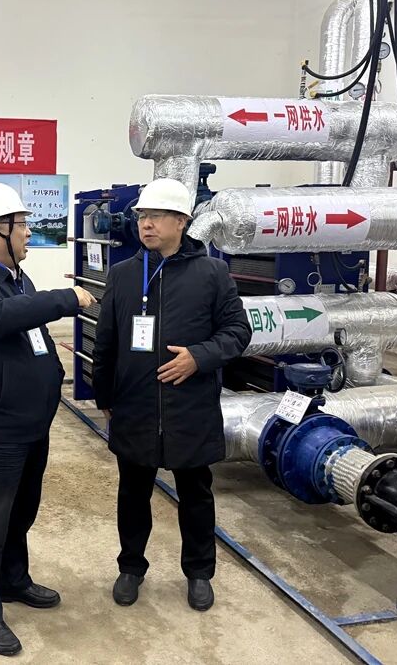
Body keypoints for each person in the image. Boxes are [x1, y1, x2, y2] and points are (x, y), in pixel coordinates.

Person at [0, 182, 96, 656]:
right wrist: (67, 297)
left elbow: (30, 332)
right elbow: (1, 318)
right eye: (22, 225)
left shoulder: (17, 279)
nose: (29, 232)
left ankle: (13, 580)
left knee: (21, 512)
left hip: (29, 425)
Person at [91, 177, 250, 611]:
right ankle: (131, 567)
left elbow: (238, 331)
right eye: (143, 216)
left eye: (157, 216)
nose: (146, 224)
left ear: (182, 221)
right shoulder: (124, 275)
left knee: (195, 495)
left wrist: (199, 356)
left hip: (189, 407)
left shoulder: (212, 274)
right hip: (135, 406)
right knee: (132, 494)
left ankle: (199, 573)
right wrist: (104, 395)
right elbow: (106, 341)